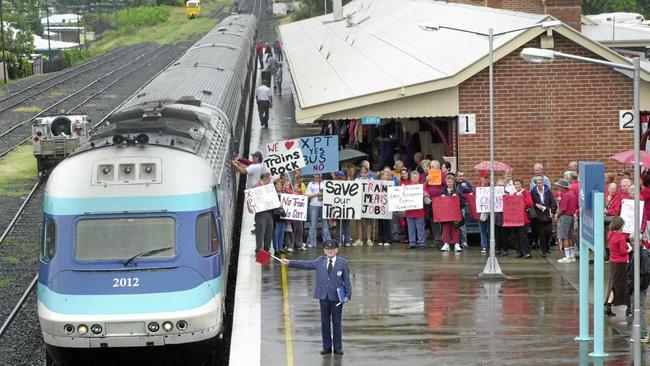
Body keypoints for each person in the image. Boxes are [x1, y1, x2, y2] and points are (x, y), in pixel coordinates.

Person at [280, 240, 352, 355]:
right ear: (324, 251)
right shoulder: (320, 261)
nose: (330, 251)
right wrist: (289, 262)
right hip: (323, 296)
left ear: (336, 250)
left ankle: (338, 347)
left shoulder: (343, 263)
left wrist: (348, 295)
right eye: (327, 249)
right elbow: (305, 264)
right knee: (325, 323)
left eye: (332, 249)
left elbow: (347, 281)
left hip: (337, 298)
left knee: (337, 322)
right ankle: (326, 347)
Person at [605, 216, 631, 317]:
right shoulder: (620, 237)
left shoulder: (610, 234)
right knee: (624, 285)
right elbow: (623, 252)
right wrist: (630, 248)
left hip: (613, 262)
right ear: (620, 226)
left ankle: (608, 305)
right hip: (622, 263)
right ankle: (629, 307)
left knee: (613, 285)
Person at [627, 244, 650, 342]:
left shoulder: (642, 254)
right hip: (638, 286)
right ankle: (641, 333)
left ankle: (643, 334)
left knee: (640, 308)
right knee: (637, 308)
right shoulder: (639, 253)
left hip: (639, 286)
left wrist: (638, 286)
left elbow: (645, 272)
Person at [530, 175, 557, 257]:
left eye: (541, 182)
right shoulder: (533, 192)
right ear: (536, 184)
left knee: (548, 232)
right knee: (541, 233)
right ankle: (544, 251)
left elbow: (552, 201)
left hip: (547, 213)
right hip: (538, 214)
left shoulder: (548, 191)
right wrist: (536, 205)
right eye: (538, 183)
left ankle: (547, 247)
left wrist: (553, 211)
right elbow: (531, 202)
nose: (540, 184)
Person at [509, 179, 534, 259]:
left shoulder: (525, 192)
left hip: (524, 218)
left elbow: (530, 203)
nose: (517, 186)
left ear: (521, 185)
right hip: (516, 219)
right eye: (515, 184)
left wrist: (522, 198)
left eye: (518, 184)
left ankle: (526, 253)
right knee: (516, 236)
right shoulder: (514, 194)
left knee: (523, 236)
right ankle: (519, 252)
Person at [440, 174, 465, 252]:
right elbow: (439, 204)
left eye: (451, 182)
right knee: (446, 228)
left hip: (455, 213)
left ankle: (456, 243)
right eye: (448, 182)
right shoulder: (443, 191)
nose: (449, 183)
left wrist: (457, 198)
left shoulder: (458, 191)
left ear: (453, 182)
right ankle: (446, 243)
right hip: (446, 213)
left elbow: (463, 203)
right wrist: (442, 197)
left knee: (455, 227)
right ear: (446, 182)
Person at [306, 174, 331, 247]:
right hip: (314, 205)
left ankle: (327, 241)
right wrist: (316, 194)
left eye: (319, 174)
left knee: (325, 225)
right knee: (313, 225)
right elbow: (306, 195)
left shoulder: (325, 183)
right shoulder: (311, 184)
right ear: (314, 175)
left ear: (321, 174)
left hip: (324, 205)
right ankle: (311, 242)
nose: (317, 176)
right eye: (316, 174)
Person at [556, 178, 577, 263]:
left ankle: (567, 257)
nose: (558, 187)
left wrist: (557, 216)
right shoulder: (571, 193)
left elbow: (562, 209)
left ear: (562, 187)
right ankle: (571, 256)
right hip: (571, 216)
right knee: (569, 236)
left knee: (564, 237)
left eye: (559, 186)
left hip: (565, 217)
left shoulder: (565, 195)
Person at [403, 171, 426, 249]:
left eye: (416, 177)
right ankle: (412, 242)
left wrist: (425, 194)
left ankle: (421, 243)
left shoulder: (422, 186)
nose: (414, 178)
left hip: (419, 211)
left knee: (420, 228)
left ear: (419, 178)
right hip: (409, 211)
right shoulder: (407, 187)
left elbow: (427, 196)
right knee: (411, 228)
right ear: (411, 178)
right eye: (413, 177)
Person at [251, 173, 274, 253]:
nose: (270, 180)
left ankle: (266, 249)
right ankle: (259, 250)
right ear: (265, 178)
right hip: (260, 213)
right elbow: (250, 199)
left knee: (269, 232)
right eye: (269, 178)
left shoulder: (269, 188)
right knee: (260, 233)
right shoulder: (256, 187)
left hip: (269, 213)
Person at [354, 167, 374, 246]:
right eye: (362, 173)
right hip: (359, 203)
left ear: (368, 172)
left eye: (365, 172)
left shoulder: (371, 180)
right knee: (359, 222)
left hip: (368, 203)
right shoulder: (357, 180)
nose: (363, 174)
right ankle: (360, 239)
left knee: (368, 221)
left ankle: (369, 239)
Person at [455, 170, 473, 248]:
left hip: (462, 206)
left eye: (463, 176)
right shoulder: (454, 184)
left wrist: (464, 188)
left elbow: (470, 192)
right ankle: (455, 241)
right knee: (453, 225)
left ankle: (464, 242)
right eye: (460, 176)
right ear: (456, 177)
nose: (462, 177)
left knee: (462, 225)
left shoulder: (467, 184)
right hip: (453, 207)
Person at [377, 170, 393, 246]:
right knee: (380, 223)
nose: (387, 176)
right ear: (381, 176)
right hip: (379, 206)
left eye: (387, 175)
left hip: (388, 206)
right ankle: (381, 239)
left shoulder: (390, 183)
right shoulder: (376, 184)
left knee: (387, 223)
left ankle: (388, 239)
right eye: (385, 175)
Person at [272, 180, 288, 254]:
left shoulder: (284, 195)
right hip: (275, 216)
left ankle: (281, 247)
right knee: (276, 233)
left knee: (281, 232)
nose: (279, 186)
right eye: (277, 185)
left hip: (283, 216)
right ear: (274, 186)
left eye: (280, 185)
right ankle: (276, 249)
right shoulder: (272, 194)